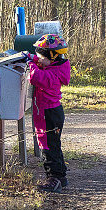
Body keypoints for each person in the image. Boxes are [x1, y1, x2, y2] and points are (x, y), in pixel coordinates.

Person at [25, 34, 71, 192]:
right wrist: (32, 57)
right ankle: (61, 177)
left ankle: (54, 178)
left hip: (49, 113)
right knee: (53, 144)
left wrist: (30, 63)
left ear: (51, 57)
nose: (38, 60)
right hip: (49, 112)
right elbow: (41, 63)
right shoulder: (55, 65)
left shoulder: (53, 73)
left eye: (40, 57)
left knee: (48, 145)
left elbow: (36, 77)